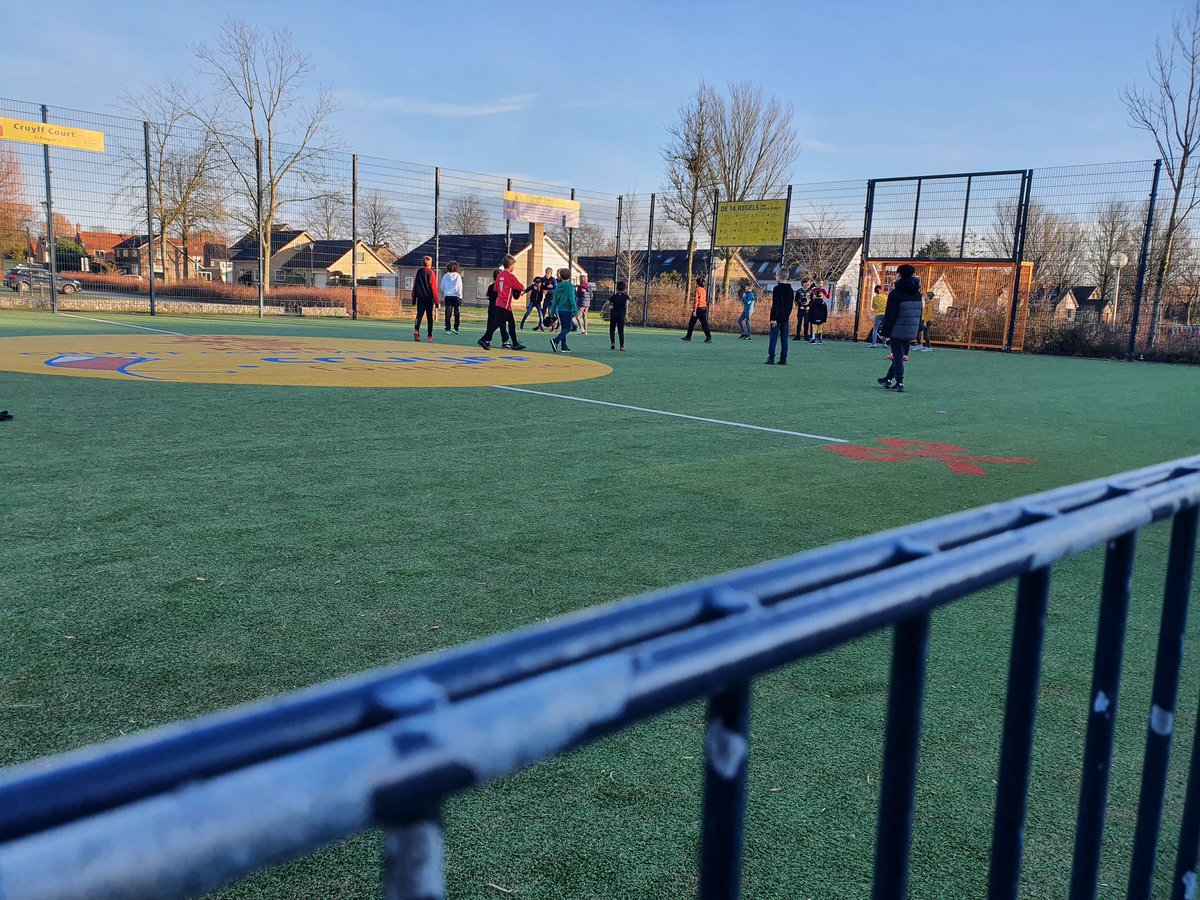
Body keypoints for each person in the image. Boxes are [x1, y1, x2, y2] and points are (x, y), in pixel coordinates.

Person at [877, 264, 923, 393]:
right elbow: (919, 311)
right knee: (900, 354)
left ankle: (900, 382)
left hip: (898, 328)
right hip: (911, 328)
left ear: (899, 274)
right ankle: (888, 379)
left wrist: (885, 332)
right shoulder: (917, 293)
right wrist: (918, 326)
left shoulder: (895, 293)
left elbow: (890, 314)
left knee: (897, 356)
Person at [478, 256, 526, 351]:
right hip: (504, 303)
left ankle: (515, 343)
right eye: (513, 265)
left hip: (501, 302)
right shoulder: (510, 276)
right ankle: (483, 339)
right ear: (511, 265)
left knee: (511, 323)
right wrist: (518, 289)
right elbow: (521, 287)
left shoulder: (500, 275)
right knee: (496, 323)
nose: (514, 267)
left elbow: (496, 288)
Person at [765, 271, 794, 366]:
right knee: (784, 340)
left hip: (776, 318)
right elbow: (789, 306)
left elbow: (776, 304)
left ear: (780, 277)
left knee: (773, 338)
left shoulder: (777, 289)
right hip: (785, 318)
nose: (775, 277)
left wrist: (773, 318)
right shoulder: (790, 290)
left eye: (776, 275)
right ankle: (783, 359)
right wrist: (786, 316)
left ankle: (771, 358)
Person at [549, 267, 578, 353]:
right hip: (567, 310)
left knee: (563, 328)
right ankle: (555, 340)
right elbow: (572, 299)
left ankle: (563, 346)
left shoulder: (558, 286)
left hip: (560, 310)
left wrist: (552, 312)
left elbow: (555, 301)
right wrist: (575, 310)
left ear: (560, 276)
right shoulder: (570, 286)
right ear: (569, 276)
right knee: (568, 328)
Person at [411, 255, 439, 342]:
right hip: (428, 298)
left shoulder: (419, 271)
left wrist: (413, 298)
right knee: (429, 317)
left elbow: (415, 285)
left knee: (419, 315)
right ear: (430, 263)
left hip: (420, 298)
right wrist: (437, 301)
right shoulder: (431, 273)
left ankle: (416, 330)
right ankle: (429, 335)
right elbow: (434, 288)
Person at [521, 266, 555, 332]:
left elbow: (551, 286)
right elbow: (528, 289)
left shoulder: (544, 285)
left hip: (539, 302)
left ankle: (541, 326)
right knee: (528, 312)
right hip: (532, 301)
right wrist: (523, 293)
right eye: (537, 283)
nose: (539, 284)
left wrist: (550, 287)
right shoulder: (534, 286)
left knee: (541, 314)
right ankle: (522, 323)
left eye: (540, 283)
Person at [682, 277, 713, 343]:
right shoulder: (704, 290)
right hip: (704, 307)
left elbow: (696, 301)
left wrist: (694, 310)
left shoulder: (698, 290)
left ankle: (688, 337)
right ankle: (709, 337)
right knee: (704, 323)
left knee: (691, 323)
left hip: (698, 308)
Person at [440, 261, 463, 334]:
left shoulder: (445, 276)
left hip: (448, 296)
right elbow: (460, 287)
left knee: (448, 312)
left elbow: (442, 287)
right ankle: (456, 328)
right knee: (457, 313)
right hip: (456, 296)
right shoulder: (458, 276)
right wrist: (459, 296)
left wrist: (445, 291)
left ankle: (448, 329)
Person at [608, 280, 630, 351]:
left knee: (612, 329)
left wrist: (603, 310)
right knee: (621, 331)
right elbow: (630, 298)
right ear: (624, 288)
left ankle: (612, 343)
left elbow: (607, 303)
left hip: (614, 315)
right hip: (621, 316)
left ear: (617, 288)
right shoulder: (625, 296)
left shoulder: (613, 297)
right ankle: (622, 346)